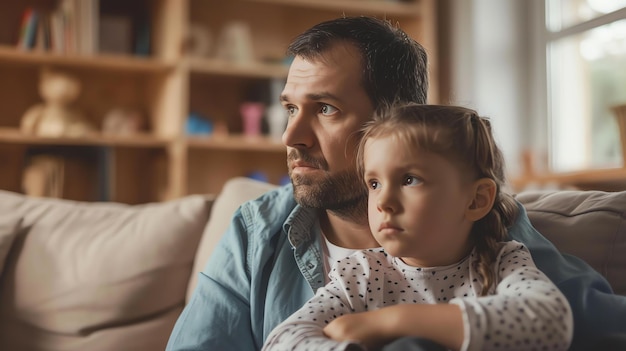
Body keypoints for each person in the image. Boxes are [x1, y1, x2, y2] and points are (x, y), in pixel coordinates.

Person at [166, 16, 625, 351]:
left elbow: (598, 326)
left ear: (394, 121)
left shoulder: (484, 227)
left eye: (325, 108)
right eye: (290, 108)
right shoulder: (256, 230)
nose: (291, 136)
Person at [261, 103, 574, 351]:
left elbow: (551, 322)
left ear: (477, 200)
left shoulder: (502, 262)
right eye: (374, 183)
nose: (383, 201)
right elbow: (282, 340)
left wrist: (389, 323)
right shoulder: (361, 273)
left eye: (409, 179)